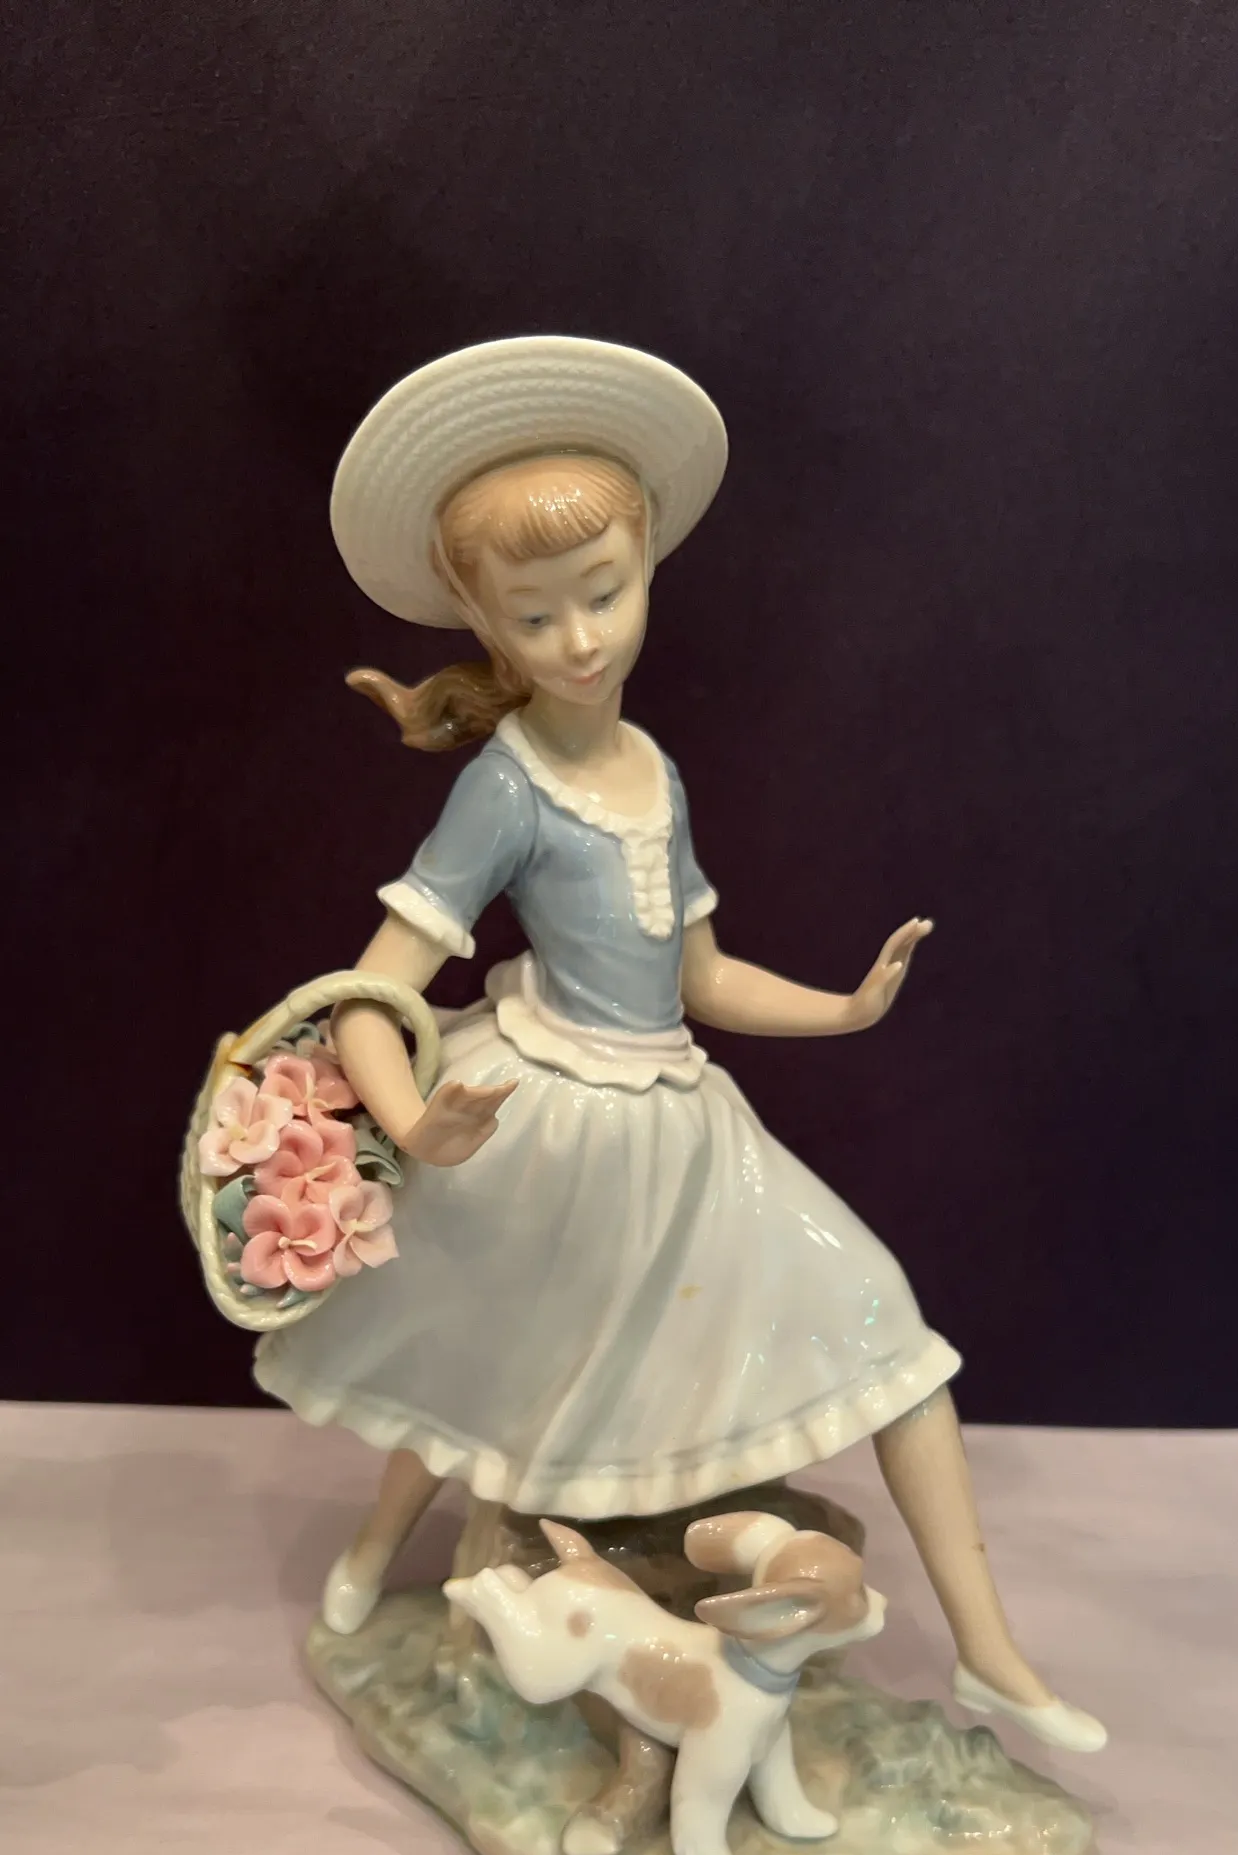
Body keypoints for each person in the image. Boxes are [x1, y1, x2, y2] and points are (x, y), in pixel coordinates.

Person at [256, 335, 1104, 1756]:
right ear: (485, 625)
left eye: (605, 593)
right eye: (536, 617)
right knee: (486, 1358)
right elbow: (370, 991)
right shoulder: (507, 788)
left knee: (888, 1331)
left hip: (676, 1122)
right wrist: (410, 1123)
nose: (581, 639)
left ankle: (988, 1652)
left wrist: (843, 1009)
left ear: (649, 565)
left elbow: (697, 975)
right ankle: (377, 1547)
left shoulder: (655, 770)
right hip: (542, 1118)